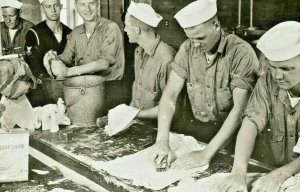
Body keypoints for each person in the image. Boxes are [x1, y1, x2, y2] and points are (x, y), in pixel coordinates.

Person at [151, 0, 259, 170]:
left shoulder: (240, 52)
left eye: (200, 38)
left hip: (234, 139)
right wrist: (162, 140)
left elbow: (240, 110)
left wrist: (207, 153)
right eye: (190, 39)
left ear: (216, 25)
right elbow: (170, 94)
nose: (195, 45)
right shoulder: (188, 48)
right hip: (199, 132)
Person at [216, 21, 300, 192]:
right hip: (272, 169)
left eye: (286, 68)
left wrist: (280, 175)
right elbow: (251, 123)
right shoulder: (267, 81)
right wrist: (239, 172)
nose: (277, 75)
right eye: (273, 67)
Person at [124, 1, 175, 119]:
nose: (125, 29)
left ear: (137, 29)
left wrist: (135, 115)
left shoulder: (166, 59)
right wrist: (127, 115)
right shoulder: (138, 52)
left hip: (159, 129)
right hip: (139, 123)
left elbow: (171, 107)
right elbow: (137, 95)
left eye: (126, 25)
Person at [25, 0, 72, 107]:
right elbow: (34, 67)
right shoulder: (34, 33)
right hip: (43, 94)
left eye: (56, 5)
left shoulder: (70, 32)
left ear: (61, 6)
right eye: (48, 6)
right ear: (42, 9)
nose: (53, 10)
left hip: (67, 90)